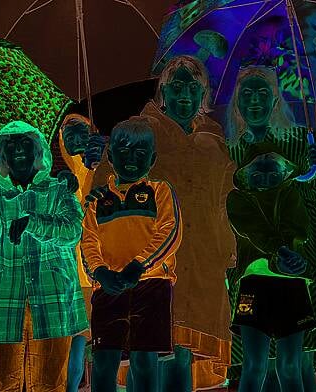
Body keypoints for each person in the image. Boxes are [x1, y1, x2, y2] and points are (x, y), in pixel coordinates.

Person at [91, 55, 236, 391]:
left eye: (193, 85)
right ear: (163, 92)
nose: (184, 93)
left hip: (201, 264)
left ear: (203, 94)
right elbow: (105, 186)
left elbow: (226, 200)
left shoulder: (214, 140)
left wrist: (228, 251)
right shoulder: (141, 130)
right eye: (176, 85)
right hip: (148, 264)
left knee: (183, 350)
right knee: (150, 354)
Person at [225, 66, 316, 390]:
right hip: (254, 262)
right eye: (247, 94)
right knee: (258, 365)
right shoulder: (230, 152)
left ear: (275, 100)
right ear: (237, 101)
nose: (254, 101)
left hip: (306, 259)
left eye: (262, 93)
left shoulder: (300, 140)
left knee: (300, 363)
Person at [0, 120, 88, 392]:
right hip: (3, 302)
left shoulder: (57, 188)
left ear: (38, 151)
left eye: (25, 143)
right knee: (0, 384)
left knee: (48, 384)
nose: (18, 149)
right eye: (10, 145)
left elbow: (72, 231)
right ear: (2, 157)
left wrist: (32, 221)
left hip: (54, 302)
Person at [81, 116, 182, 392]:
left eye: (140, 152)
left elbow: (169, 231)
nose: (131, 158)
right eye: (124, 151)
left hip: (151, 286)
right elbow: (88, 243)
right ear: (111, 156)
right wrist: (101, 272)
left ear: (152, 159)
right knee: (103, 362)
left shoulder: (160, 192)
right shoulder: (98, 201)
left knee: (144, 362)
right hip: (108, 288)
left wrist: (139, 265)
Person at [227, 142, 316, 392]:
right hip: (254, 284)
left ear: (284, 173)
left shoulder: (292, 194)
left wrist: (290, 256)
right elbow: (253, 226)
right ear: (245, 175)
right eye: (258, 175)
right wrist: (281, 252)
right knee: (254, 364)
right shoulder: (237, 198)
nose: (266, 181)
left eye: (273, 174)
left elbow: (297, 226)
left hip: (292, 285)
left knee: (291, 365)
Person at [57, 113, 106, 392]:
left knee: (101, 347)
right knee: (74, 343)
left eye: (83, 130)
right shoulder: (61, 176)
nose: (76, 137)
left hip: (98, 275)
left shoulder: (106, 170)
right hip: (72, 279)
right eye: (69, 132)